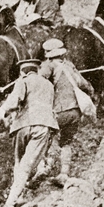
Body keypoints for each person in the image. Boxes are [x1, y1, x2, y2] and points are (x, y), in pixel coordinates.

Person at [0, 58, 58, 207]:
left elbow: (15, 99)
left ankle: (11, 201)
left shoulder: (23, 80)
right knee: (27, 165)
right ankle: (17, 197)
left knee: (19, 163)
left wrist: (2, 111)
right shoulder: (49, 85)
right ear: (36, 69)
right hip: (43, 126)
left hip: (23, 125)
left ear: (23, 71)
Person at [39, 39, 95, 186]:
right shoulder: (70, 66)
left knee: (47, 136)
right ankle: (64, 173)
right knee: (66, 142)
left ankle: (45, 167)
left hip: (59, 110)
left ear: (48, 54)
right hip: (76, 112)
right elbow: (86, 85)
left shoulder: (48, 66)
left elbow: (38, 83)